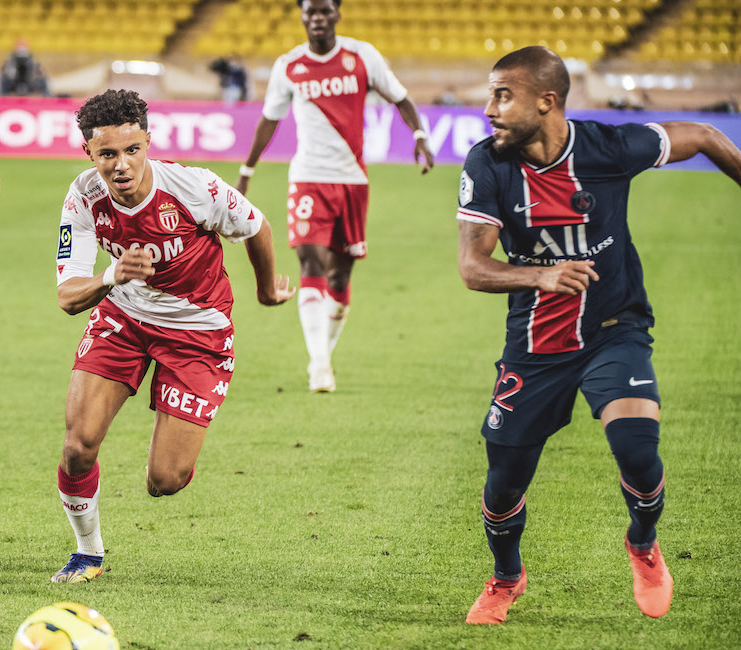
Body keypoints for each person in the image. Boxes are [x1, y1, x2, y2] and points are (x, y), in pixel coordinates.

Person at [456, 46, 741, 624]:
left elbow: (705, 136)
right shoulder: (487, 164)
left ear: (547, 101)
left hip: (615, 329)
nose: (490, 109)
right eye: (490, 95)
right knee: (503, 483)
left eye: (503, 96)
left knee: (637, 448)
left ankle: (643, 544)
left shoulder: (607, 148)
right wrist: (540, 275)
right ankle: (507, 577)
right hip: (535, 346)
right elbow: (472, 266)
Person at [51, 89, 295, 583]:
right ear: (88, 152)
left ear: (148, 142)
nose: (122, 165)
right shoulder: (83, 196)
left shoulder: (194, 187)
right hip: (123, 320)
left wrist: (267, 290)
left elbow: (257, 227)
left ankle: (173, 440)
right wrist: (111, 276)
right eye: (107, 154)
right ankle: (87, 552)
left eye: (132, 150)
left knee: (166, 480)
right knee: (78, 446)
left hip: (197, 331)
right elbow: (69, 297)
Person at [236, 0, 433, 393]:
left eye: (325, 11)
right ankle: (320, 364)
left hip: (352, 181)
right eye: (311, 12)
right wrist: (246, 172)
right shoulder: (289, 66)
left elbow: (400, 97)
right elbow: (269, 120)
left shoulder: (362, 57)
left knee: (340, 276)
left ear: (337, 14)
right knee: (310, 260)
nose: (318, 18)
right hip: (308, 178)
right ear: (302, 16)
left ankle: (322, 353)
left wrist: (419, 135)